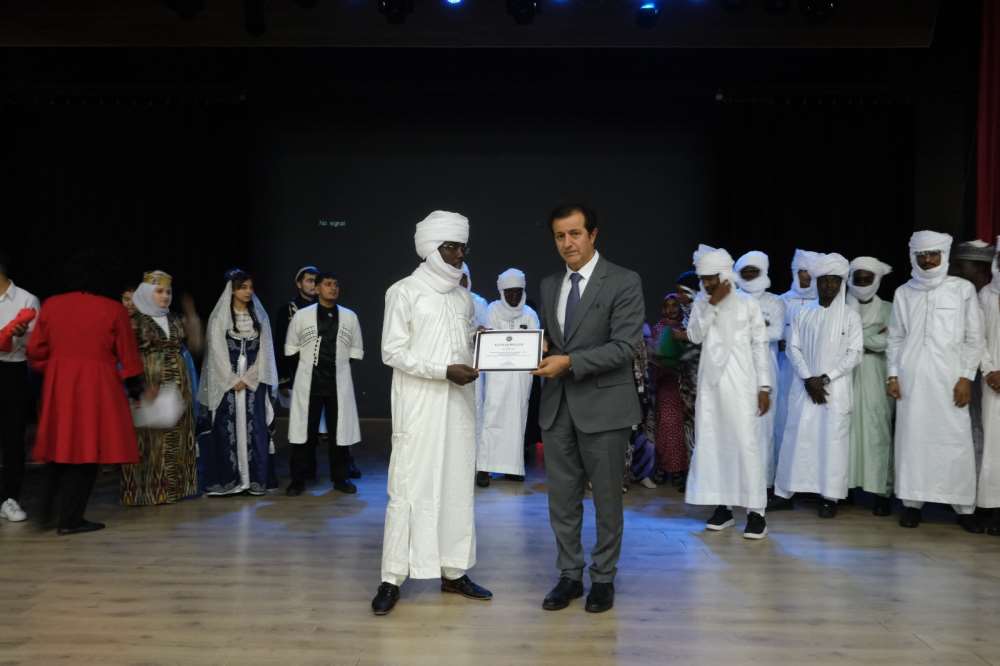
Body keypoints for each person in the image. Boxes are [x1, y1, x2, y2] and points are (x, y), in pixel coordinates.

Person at [372, 211, 492, 617]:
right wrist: (442, 371)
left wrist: (485, 345)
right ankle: (391, 577)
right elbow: (392, 351)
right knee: (408, 488)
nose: (459, 255)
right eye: (450, 247)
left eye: (462, 248)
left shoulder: (462, 298)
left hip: (459, 406)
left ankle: (453, 571)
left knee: (457, 486)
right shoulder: (404, 292)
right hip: (419, 406)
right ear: (430, 249)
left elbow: (463, 345)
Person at [533, 204, 644, 614]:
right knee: (562, 501)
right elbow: (556, 340)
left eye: (575, 233)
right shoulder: (549, 284)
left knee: (607, 501)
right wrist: (540, 347)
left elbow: (625, 346)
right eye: (560, 236)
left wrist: (570, 362)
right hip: (557, 407)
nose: (568, 243)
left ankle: (603, 578)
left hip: (605, 407)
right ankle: (569, 575)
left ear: (593, 234)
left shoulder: (624, 281)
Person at [28, 249, 145, 534]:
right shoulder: (113, 310)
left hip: (60, 383)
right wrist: (136, 389)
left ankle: (44, 514)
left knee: (58, 447)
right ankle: (70, 520)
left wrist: (56, 367)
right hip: (97, 385)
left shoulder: (52, 305)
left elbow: (35, 350)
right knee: (88, 449)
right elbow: (129, 358)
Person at [887, 231, 985, 532]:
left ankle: (963, 507)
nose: (928, 260)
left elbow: (974, 338)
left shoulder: (962, 289)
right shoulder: (904, 292)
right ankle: (911, 504)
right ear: (913, 257)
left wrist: (966, 377)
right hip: (912, 380)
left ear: (944, 255)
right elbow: (895, 337)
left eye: (933, 254)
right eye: (922, 255)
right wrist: (892, 374)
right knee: (912, 441)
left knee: (954, 441)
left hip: (950, 380)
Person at [683, 245, 772, 540]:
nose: (707, 283)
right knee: (714, 443)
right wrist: (711, 304)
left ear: (724, 275)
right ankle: (723, 508)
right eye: (703, 278)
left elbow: (760, 346)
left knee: (746, 444)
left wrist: (764, 386)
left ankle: (756, 513)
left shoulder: (748, 303)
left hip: (743, 385)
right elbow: (695, 335)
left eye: (712, 278)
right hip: (711, 387)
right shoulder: (702, 303)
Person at [774, 253, 863, 518]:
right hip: (804, 386)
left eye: (834, 281)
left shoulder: (850, 316)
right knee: (796, 438)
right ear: (817, 282)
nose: (828, 286)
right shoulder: (803, 312)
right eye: (824, 280)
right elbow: (793, 348)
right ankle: (784, 493)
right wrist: (807, 378)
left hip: (834, 388)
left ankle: (829, 497)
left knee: (832, 442)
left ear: (841, 284)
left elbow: (855, 354)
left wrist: (825, 378)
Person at [197, 269, 279, 496]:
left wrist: (250, 377)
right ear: (232, 290)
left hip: (254, 382)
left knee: (256, 428)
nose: (248, 291)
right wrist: (232, 379)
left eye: (250, 287)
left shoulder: (260, 318)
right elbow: (216, 352)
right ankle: (231, 479)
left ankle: (254, 478)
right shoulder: (219, 318)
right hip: (228, 383)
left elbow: (266, 352)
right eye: (243, 287)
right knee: (226, 429)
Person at [121, 271, 197, 506]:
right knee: (151, 439)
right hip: (149, 383)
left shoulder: (173, 318)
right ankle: (149, 491)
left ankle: (176, 489)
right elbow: (126, 356)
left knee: (178, 433)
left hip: (177, 383)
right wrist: (140, 386)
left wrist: (192, 316)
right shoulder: (135, 321)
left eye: (168, 292)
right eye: (159, 291)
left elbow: (195, 345)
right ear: (146, 293)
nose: (165, 296)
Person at [284, 271, 363, 496]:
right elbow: (291, 349)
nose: (333, 288)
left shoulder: (349, 317)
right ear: (317, 288)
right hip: (309, 384)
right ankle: (298, 479)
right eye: (328, 284)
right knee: (304, 432)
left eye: (336, 284)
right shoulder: (302, 316)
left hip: (337, 383)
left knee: (339, 433)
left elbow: (355, 351)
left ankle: (340, 478)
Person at [476, 268, 539, 486]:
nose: (513, 296)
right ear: (502, 292)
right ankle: (484, 468)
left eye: (517, 292)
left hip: (520, 378)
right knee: (491, 418)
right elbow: (486, 341)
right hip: (496, 377)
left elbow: (534, 346)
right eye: (509, 292)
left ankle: (513, 468)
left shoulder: (530, 314)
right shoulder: (492, 310)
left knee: (516, 420)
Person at [846, 256, 895, 516]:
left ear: (877, 280)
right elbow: (837, 341)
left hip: (877, 374)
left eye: (868, 279)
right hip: (845, 375)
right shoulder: (840, 307)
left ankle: (881, 492)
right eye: (858, 278)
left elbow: (889, 341)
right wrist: (873, 336)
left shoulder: (889, 308)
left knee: (877, 432)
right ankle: (844, 489)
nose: (862, 283)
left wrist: (856, 340)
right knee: (846, 432)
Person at [771, 248, 820, 510]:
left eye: (811, 273)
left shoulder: (824, 303)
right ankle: (782, 484)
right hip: (785, 371)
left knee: (810, 428)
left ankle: (807, 486)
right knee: (783, 425)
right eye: (802, 272)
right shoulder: (782, 300)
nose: (806, 277)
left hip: (813, 374)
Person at [734, 251, 785, 486]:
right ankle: (738, 484)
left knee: (764, 426)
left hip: (766, 369)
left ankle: (763, 484)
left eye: (754, 271)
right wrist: (759, 326)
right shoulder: (732, 298)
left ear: (763, 271)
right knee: (738, 426)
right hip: (737, 367)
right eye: (745, 272)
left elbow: (777, 332)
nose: (749, 275)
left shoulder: (774, 301)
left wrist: (745, 329)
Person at [0, 251, 40, 523]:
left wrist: (21, 336)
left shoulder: (26, 299)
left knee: (12, 437)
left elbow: (36, 346)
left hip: (11, 370)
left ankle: (10, 499)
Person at [649, 294, 688, 486]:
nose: (671, 309)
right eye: (667, 306)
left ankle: (680, 470)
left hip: (685, 386)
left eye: (675, 305)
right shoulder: (658, 328)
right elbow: (652, 355)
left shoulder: (686, 328)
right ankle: (664, 468)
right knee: (665, 427)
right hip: (664, 384)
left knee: (682, 429)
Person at [978, 239, 1000, 535]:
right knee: (993, 447)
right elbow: (977, 337)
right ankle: (993, 509)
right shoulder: (985, 294)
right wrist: (989, 370)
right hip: (992, 380)